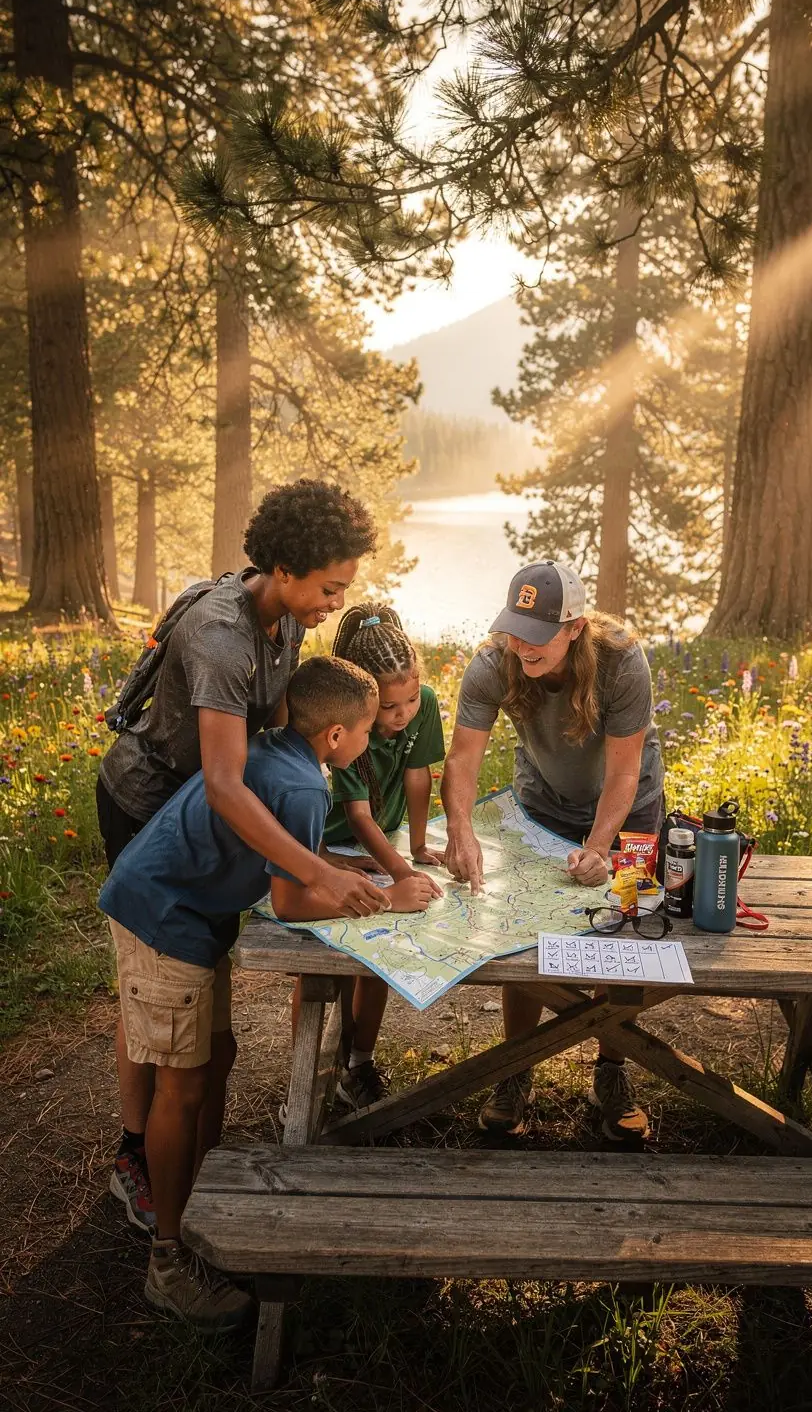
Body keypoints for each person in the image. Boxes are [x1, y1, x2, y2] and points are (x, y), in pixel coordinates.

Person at [96, 479, 390, 1233]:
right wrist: (318, 872)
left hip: (202, 806)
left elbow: (284, 738)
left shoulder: (284, 617)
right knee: (155, 981)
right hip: (152, 801)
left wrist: (321, 843)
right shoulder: (222, 637)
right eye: (330, 588)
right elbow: (227, 784)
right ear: (284, 570)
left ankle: (183, 1144)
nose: (336, 604)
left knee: (195, 983)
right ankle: (138, 1153)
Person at [98, 656, 387, 1329]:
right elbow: (289, 902)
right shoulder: (307, 789)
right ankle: (168, 1261)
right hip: (162, 918)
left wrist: (341, 866)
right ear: (336, 736)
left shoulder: (275, 749)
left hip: (192, 916)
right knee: (182, 1087)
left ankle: (197, 1201)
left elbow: (283, 849)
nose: (370, 740)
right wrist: (388, 899)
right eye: (367, 729)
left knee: (216, 1058)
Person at [441, 561, 664, 1142]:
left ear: (575, 628)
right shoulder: (493, 663)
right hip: (541, 803)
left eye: (537, 634)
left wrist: (599, 848)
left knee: (625, 931)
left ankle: (611, 1070)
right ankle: (516, 1069)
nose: (522, 645)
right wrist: (460, 828)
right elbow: (462, 758)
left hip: (631, 810)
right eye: (515, 629)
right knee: (525, 931)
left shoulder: (623, 662)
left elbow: (623, 774)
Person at [317, 603, 447, 1108]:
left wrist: (416, 846)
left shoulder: (425, 704)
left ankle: (359, 1063)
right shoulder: (349, 719)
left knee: (376, 960)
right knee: (324, 963)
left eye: (411, 699)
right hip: (332, 844)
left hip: (384, 842)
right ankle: (314, 1073)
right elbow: (357, 815)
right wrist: (402, 873)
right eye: (390, 708)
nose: (403, 715)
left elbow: (418, 777)